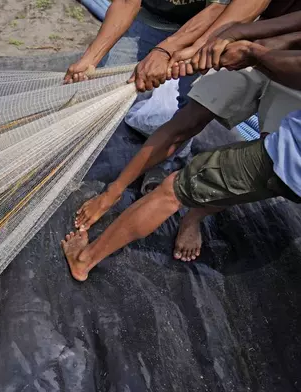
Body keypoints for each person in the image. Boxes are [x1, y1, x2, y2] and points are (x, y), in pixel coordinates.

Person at [62, 11, 301, 281]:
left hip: (286, 69)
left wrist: (253, 52)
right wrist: (221, 42)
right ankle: (112, 194)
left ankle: (193, 215)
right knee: (191, 122)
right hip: (259, 41)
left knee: (263, 157)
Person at [64, 0, 272, 193]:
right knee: (102, 86)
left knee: (190, 104)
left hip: (212, 26)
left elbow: (218, 8)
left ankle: (164, 165)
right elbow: (127, 2)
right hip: (149, 20)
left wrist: (167, 51)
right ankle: (78, 153)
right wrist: (90, 58)